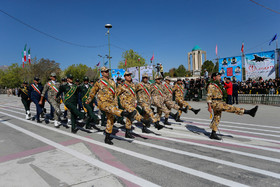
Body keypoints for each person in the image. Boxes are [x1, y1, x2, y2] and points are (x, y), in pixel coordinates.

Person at [85, 67, 136, 145]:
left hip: (111, 103)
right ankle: (124, 114)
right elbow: (93, 92)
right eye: (105, 71)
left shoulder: (112, 82)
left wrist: (116, 104)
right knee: (110, 108)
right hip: (103, 102)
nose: (107, 72)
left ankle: (107, 137)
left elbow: (115, 95)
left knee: (110, 119)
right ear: (102, 73)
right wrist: (88, 100)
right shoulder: (99, 82)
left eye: (108, 71)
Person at [207, 72, 259, 140]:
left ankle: (213, 134)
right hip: (215, 103)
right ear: (214, 77)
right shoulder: (211, 85)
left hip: (219, 101)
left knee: (217, 117)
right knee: (230, 108)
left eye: (220, 76)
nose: (220, 77)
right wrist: (209, 107)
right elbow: (208, 96)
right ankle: (248, 112)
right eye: (218, 76)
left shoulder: (218, 85)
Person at [118, 71, 153, 138]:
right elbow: (116, 94)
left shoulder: (133, 85)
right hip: (126, 103)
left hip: (132, 103)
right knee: (134, 112)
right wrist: (116, 103)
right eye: (127, 75)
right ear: (125, 77)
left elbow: (136, 92)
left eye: (130, 75)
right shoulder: (121, 86)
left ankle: (127, 133)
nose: (129, 76)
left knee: (129, 117)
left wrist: (136, 101)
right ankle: (143, 120)